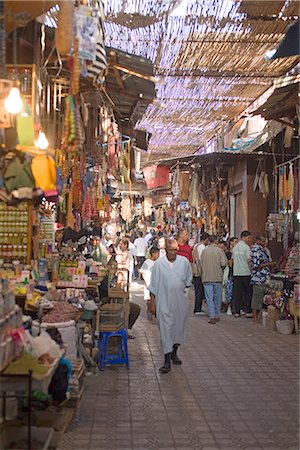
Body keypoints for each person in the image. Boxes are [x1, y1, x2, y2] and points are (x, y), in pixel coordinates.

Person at [149, 239, 193, 373]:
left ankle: (174, 352)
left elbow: (187, 282)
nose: (173, 253)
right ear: (165, 251)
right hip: (164, 303)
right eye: (170, 250)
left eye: (175, 250)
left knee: (178, 329)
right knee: (166, 331)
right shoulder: (159, 264)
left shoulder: (184, 262)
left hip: (179, 303)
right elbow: (153, 286)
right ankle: (166, 361)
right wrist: (152, 304)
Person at [201, 235, 228, 324]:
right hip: (217, 277)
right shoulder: (220, 251)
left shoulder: (205, 251)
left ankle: (212, 315)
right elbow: (224, 263)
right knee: (217, 297)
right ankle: (217, 315)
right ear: (216, 241)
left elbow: (201, 263)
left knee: (209, 297)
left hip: (207, 277)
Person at [251, 235, 276, 323]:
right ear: (258, 241)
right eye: (263, 241)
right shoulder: (256, 250)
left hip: (264, 277)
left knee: (261, 297)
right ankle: (255, 318)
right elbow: (256, 265)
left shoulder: (263, 250)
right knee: (257, 297)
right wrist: (268, 264)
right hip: (258, 278)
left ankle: (258, 317)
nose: (265, 242)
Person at [232, 230, 253, 318]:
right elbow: (249, 261)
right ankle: (247, 310)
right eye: (248, 238)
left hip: (236, 273)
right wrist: (251, 270)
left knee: (238, 293)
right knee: (248, 292)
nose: (249, 240)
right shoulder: (246, 248)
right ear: (243, 237)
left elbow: (232, 261)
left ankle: (237, 311)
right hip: (246, 273)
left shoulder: (235, 247)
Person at [139, 247, 160, 319]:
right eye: (157, 253)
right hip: (148, 283)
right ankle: (149, 311)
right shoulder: (147, 262)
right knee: (149, 299)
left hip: (156, 283)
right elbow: (143, 272)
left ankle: (154, 312)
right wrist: (147, 282)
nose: (158, 255)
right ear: (153, 254)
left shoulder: (158, 262)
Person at [192, 232, 210, 315]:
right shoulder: (202, 247)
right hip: (199, 272)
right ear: (206, 239)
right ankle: (197, 309)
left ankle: (198, 307)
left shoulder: (196, 245)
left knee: (197, 290)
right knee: (200, 290)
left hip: (195, 271)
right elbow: (201, 260)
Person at [223, 236, 238, 315]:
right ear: (231, 243)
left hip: (237, 274)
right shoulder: (229, 253)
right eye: (235, 241)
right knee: (229, 291)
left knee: (236, 292)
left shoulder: (238, 252)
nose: (236, 243)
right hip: (230, 274)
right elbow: (230, 265)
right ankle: (228, 307)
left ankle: (236, 308)